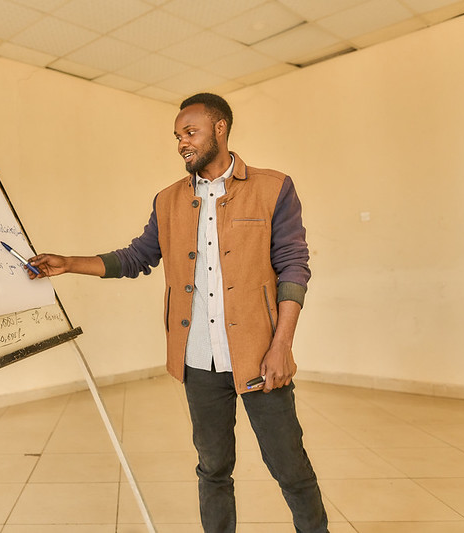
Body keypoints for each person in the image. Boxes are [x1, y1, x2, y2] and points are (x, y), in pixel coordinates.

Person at [27, 93, 328, 533]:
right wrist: (70, 263)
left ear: (220, 128)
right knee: (212, 469)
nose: (182, 143)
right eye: (177, 136)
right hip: (199, 361)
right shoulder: (167, 200)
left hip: (260, 357)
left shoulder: (273, 187)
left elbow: (294, 267)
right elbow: (136, 257)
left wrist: (282, 346)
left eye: (190, 132)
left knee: (291, 468)